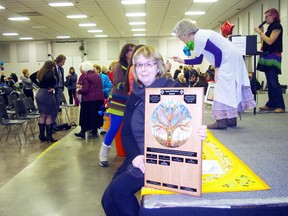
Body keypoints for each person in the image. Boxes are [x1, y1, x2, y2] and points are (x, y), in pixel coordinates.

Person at [101, 45, 207, 216]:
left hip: (165, 158)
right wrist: (135, 156)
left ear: (158, 66)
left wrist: (198, 131)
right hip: (140, 155)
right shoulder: (135, 94)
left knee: (119, 193)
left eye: (149, 64)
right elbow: (126, 133)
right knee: (107, 199)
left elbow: (190, 121)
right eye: (139, 65)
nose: (143, 69)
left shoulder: (173, 89)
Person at [172, 18, 256, 130]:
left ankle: (221, 121)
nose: (180, 39)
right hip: (232, 57)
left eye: (180, 36)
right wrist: (183, 61)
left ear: (186, 33)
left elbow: (218, 53)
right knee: (229, 88)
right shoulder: (200, 37)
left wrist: (217, 68)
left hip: (227, 59)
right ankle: (230, 119)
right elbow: (199, 60)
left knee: (222, 88)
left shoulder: (200, 38)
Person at [99, 43, 136, 167]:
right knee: (114, 127)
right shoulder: (119, 67)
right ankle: (103, 154)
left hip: (131, 101)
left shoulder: (135, 65)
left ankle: (131, 154)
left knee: (131, 129)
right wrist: (133, 83)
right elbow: (119, 84)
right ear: (125, 53)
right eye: (131, 50)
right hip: (118, 101)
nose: (133, 52)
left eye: (134, 50)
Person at [255, 8, 285, 113]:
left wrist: (260, 33)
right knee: (270, 81)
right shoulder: (270, 28)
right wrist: (262, 33)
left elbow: (270, 41)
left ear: (273, 16)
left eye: (267, 16)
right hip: (268, 55)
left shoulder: (277, 26)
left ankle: (281, 106)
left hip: (273, 56)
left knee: (273, 81)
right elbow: (265, 43)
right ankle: (271, 104)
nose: (265, 18)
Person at [74, 61, 104, 138]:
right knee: (95, 116)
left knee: (85, 116)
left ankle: (83, 132)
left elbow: (85, 89)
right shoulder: (97, 76)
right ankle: (94, 132)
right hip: (98, 99)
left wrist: (78, 90)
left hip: (88, 100)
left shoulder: (86, 77)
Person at [35, 60, 57, 143]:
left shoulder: (41, 71)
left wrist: (40, 85)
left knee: (42, 115)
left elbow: (32, 77)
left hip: (40, 93)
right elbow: (51, 79)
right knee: (49, 115)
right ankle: (49, 136)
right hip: (47, 94)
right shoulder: (50, 73)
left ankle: (41, 135)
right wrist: (51, 86)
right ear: (51, 66)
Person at [52, 54, 66, 131]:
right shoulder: (53, 68)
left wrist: (62, 87)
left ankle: (54, 124)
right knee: (53, 107)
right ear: (60, 61)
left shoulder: (61, 69)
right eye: (63, 61)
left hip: (60, 89)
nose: (64, 63)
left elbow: (61, 79)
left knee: (57, 107)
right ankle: (52, 125)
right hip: (54, 90)